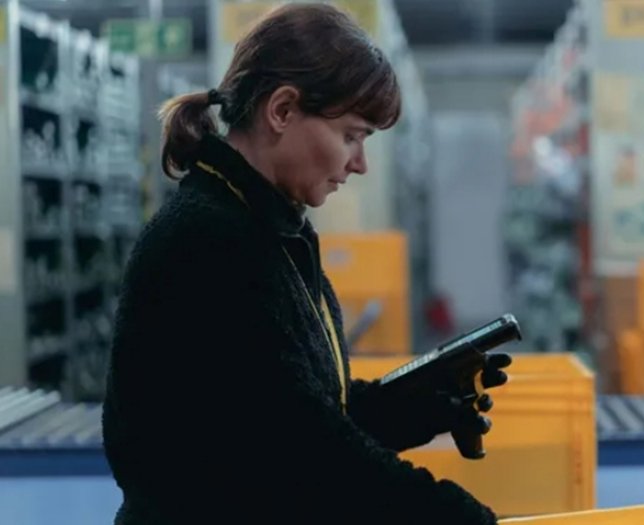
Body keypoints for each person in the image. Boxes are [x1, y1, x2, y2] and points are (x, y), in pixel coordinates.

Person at [102, 4, 512, 524]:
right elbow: (302, 452)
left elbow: (283, 409)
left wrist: (414, 406)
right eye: (352, 136)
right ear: (282, 110)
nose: (359, 163)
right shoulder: (208, 243)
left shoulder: (270, 227)